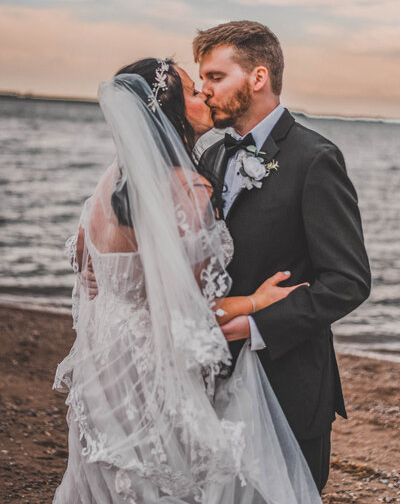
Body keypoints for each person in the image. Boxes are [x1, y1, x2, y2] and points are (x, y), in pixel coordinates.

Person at [53, 58, 322, 503]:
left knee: (111, 481)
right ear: (169, 112)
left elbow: (83, 258)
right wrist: (255, 301)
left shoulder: (111, 181)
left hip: (106, 367)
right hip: (155, 370)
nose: (207, 96)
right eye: (196, 92)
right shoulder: (187, 190)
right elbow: (192, 318)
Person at [195, 20, 372, 493]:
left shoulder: (315, 159)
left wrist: (256, 326)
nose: (204, 89)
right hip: (211, 374)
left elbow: (349, 280)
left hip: (288, 379)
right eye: (202, 78)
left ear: (257, 78)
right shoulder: (211, 156)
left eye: (215, 77)